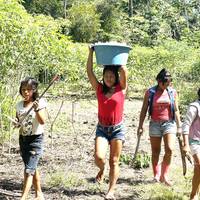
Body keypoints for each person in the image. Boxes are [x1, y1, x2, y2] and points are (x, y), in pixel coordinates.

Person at [87, 46, 128, 200]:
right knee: (99, 157)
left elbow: (124, 72)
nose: (109, 78)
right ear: (103, 77)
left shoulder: (121, 89)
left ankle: (110, 191)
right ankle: (102, 169)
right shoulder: (99, 89)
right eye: (107, 76)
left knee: (115, 161)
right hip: (102, 129)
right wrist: (91, 53)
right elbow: (90, 72)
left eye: (112, 76)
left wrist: (120, 61)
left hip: (117, 129)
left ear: (116, 77)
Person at [137, 68, 182, 186]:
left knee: (170, 149)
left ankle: (164, 174)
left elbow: (176, 110)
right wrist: (140, 126)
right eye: (165, 81)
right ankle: (156, 174)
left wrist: (179, 127)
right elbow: (144, 110)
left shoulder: (172, 92)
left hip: (169, 123)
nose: (167, 84)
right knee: (155, 151)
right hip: (155, 124)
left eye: (169, 82)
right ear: (159, 81)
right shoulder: (150, 92)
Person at [15, 77, 46, 200]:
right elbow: (18, 121)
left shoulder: (40, 102)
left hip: (35, 140)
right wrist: (16, 123)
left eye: (29, 89)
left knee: (28, 171)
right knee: (32, 167)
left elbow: (42, 121)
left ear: (34, 90)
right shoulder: (19, 105)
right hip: (23, 139)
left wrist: (37, 109)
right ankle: (39, 194)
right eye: (23, 90)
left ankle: (23, 197)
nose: (26, 92)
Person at [182, 88, 200, 200]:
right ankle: (193, 195)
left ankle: (196, 192)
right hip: (194, 141)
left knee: (198, 170)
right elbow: (186, 125)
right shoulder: (195, 106)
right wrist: (185, 144)